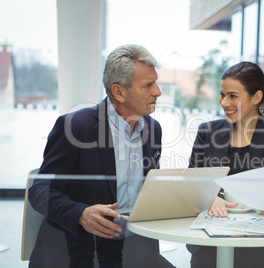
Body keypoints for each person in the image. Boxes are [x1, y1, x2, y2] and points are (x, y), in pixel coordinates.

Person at [28, 44, 174, 268]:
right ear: (119, 92)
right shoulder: (75, 127)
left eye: (155, 82)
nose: (157, 91)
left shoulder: (153, 129)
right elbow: (39, 191)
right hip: (81, 248)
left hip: (134, 245)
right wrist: (81, 214)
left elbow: (146, 186)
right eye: (148, 85)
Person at [187, 61, 264, 267]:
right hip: (208, 243)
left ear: (257, 97)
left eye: (233, 96)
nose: (224, 102)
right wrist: (208, 197)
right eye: (222, 94)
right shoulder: (207, 132)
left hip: (255, 244)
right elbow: (192, 184)